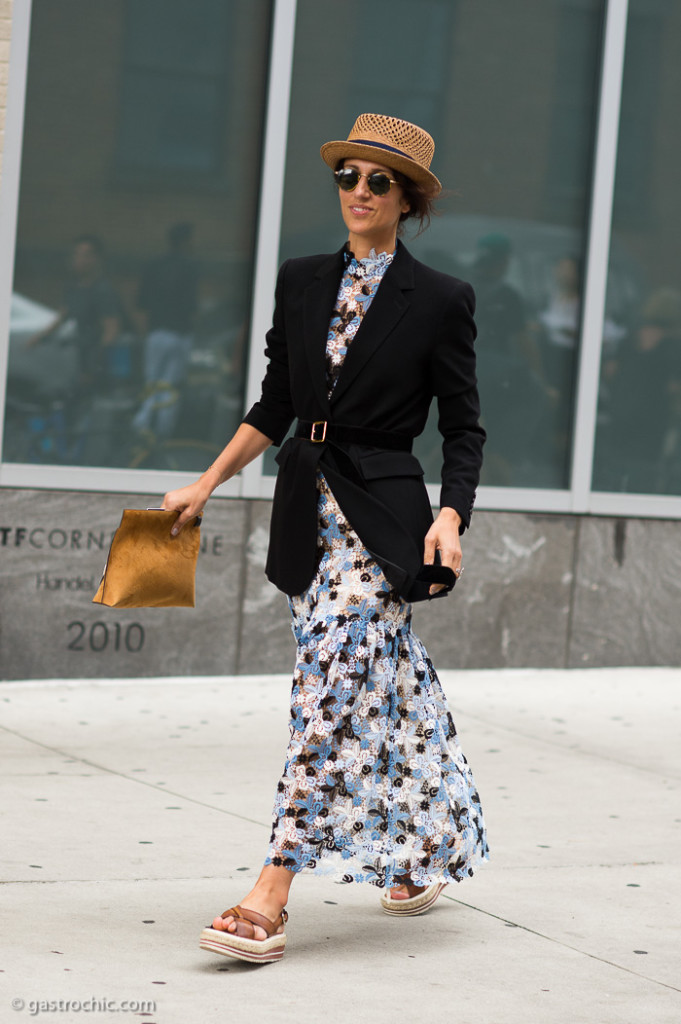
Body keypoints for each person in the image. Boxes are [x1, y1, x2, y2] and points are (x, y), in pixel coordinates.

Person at [162, 114, 489, 964]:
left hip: (384, 526)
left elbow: (462, 428)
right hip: (306, 518)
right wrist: (205, 482)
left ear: (406, 198)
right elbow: (275, 403)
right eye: (346, 175)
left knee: (327, 696)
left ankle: (269, 894)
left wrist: (450, 514)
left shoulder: (442, 298)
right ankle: (427, 845)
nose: (357, 191)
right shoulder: (302, 280)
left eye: (377, 181)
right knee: (380, 686)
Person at [133, 222, 199, 437]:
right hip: (179, 334)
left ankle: (142, 425)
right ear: (186, 241)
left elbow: (141, 304)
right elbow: (192, 307)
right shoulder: (190, 267)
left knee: (152, 383)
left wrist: (146, 334)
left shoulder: (154, 266)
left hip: (156, 333)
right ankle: (162, 433)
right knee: (170, 388)